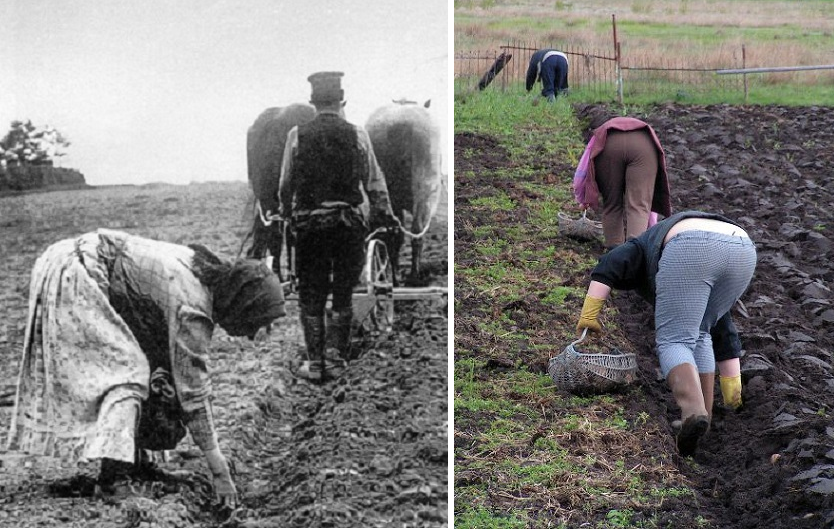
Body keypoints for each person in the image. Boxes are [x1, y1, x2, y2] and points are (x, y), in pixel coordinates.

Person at [5, 229, 287, 507]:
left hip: (87, 266)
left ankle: (138, 464)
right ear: (245, 304)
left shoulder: (202, 273)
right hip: (77, 272)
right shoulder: (193, 308)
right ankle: (112, 481)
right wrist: (219, 471)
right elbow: (194, 398)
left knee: (150, 368)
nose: (258, 333)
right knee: (129, 376)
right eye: (261, 321)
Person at [575, 211, 756, 456]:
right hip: (742, 248)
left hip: (692, 244)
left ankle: (693, 411)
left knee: (674, 340)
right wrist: (733, 397)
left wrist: (589, 315)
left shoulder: (637, 246)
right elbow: (725, 335)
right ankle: (704, 419)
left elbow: (607, 266)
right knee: (702, 332)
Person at [279, 71, 398, 383]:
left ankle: (315, 364)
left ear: (314, 103)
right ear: (341, 101)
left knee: (311, 294)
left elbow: (285, 184)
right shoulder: (357, 134)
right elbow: (374, 181)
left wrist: (287, 213)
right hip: (347, 227)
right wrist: (381, 214)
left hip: (310, 228)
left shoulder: (297, 135)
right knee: (343, 292)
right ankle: (336, 360)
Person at [573, 107, 672, 249]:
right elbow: (646, 203)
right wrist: (651, 224)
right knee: (639, 207)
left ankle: (615, 256)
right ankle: (634, 254)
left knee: (612, 205)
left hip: (608, 145)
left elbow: (581, 173)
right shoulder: (644, 132)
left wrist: (582, 199)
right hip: (643, 146)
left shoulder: (600, 134)